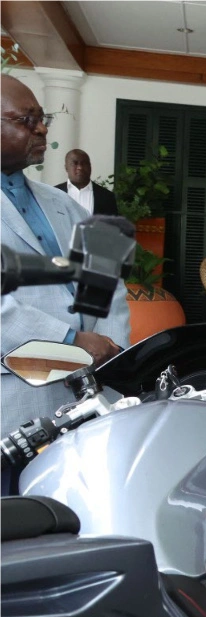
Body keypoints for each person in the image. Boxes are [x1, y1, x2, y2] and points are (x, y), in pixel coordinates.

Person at [1, 76, 130, 474]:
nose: (41, 129)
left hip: (87, 401)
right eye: (27, 119)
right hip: (15, 403)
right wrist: (71, 342)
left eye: (43, 119)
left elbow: (107, 281)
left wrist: (111, 349)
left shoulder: (63, 202)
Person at [55, 149, 119, 216]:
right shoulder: (55, 193)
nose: (80, 167)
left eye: (84, 163)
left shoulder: (107, 197)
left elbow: (111, 222)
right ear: (66, 168)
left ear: (90, 167)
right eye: (75, 163)